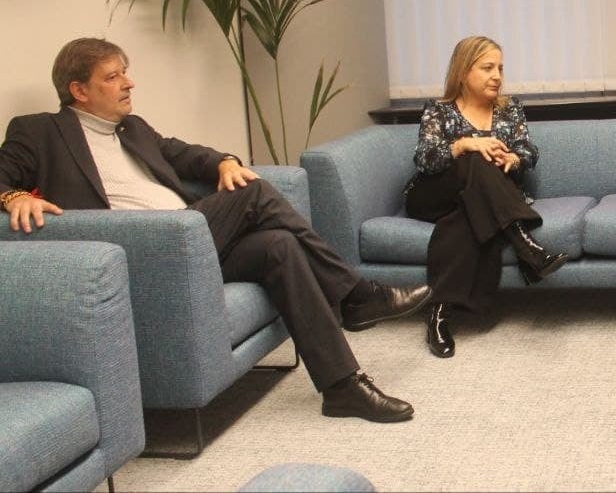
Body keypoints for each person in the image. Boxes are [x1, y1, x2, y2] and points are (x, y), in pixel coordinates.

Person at [0, 37, 433, 423]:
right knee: (254, 193)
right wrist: (13, 198)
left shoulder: (132, 129)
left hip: (191, 240)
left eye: (125, 73)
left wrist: (225, 161)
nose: (129, 83)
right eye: (113, 77)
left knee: (279, 245)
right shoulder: (39, 131)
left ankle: (342, 387)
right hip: (142, 251)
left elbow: (186, 155)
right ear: (78, 90)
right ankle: (356, 295)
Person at [404, 35, 566, 359]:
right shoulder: (439, 110)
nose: (497, 76)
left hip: (476, 201)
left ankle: (438, 314)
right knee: (474, 159)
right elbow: (425, 159)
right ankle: (525, 245)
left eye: (500, 68)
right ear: (464, 72)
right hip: (432, 194)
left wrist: (513, 160)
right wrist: (466, 144)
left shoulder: (510, 109)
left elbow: (528, 151)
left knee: (465, 216)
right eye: (488, 67)